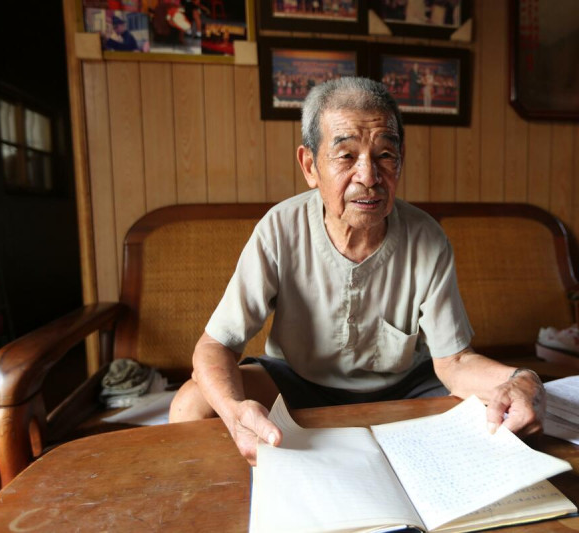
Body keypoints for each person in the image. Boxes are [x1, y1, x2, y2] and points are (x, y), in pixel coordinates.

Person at [169, 77, 545, 465]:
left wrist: (522, 379)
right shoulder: (279, 229)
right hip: (298, 382)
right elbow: (216, 346)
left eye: (384, 155)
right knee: (192, 403)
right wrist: (235, 412)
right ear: (310, 166)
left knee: (499, 416)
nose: (369, 177)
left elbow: (454, 362)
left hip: (404, 388)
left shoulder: (427, 238)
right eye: (346, 156)